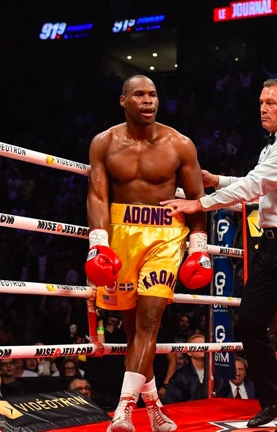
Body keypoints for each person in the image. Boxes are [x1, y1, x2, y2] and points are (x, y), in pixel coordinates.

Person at [162, 78, 277, 432]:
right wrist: (216, 180)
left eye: (272, 103)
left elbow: (254, 186)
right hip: (270, 243)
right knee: (250, 323)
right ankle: (275, 398)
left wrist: (197, 203)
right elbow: (258, 183)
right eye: (261, 101)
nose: (263, 108)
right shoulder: (274, 147)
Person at [86, 74, 212, 432]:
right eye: (139, 94)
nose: (148, 101)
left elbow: (197, 200)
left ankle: (123, 411)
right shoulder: (104, 143)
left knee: (149, 319)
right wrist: (99, 241)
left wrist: (197, 246)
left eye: (153, 94)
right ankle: (154, 407)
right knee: (133, 330)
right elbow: (97, 195)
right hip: (121, 233)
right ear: (123, 101)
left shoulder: (180, 144)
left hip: (165, 235)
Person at [164, 334, 212, 403]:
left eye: (205, 345)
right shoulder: (179, 377)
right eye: (198, 345)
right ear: (189, 352)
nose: (203, 347)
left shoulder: (216, 374)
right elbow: (171, 403)